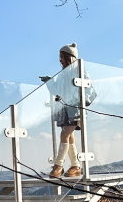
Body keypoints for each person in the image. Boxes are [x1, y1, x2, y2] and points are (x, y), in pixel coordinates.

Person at [40, 43, 94, 179]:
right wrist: (49, 82)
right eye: (60, 57)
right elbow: (56, 91)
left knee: (64, 134)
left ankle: (58, 166)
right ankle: (76, 166)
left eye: (62, 56)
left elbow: (90, 88)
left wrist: (82, 101)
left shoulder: (79, 71)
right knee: (69, 136)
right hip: (64, 109)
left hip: (75, 109)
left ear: (70, 57)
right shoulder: (63, 74)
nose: (60, 59)